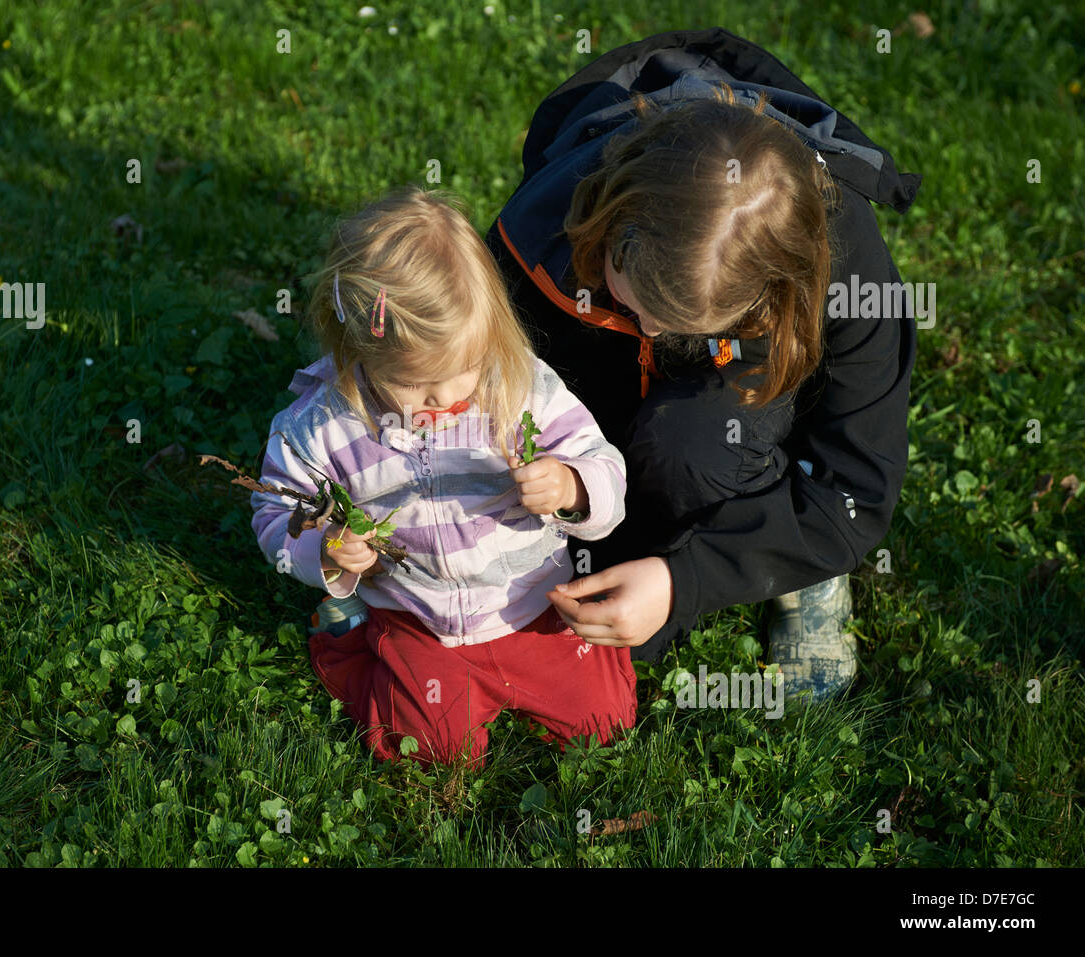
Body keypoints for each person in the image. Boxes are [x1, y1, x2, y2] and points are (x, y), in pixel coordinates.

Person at [484, 28, 922, 701]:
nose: (653, 328)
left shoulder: (850, 271)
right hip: (594, 401)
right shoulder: (537, 232)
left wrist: (680, 581)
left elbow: (853, 489)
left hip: (732, 421)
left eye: (679, 322)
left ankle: (798, 571)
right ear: (609, 221)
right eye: (635, 299)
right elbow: (471, 388)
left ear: (775, 290)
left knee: (692, 446)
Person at [251, 185, 635, 766]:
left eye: (461, 373)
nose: (441, 399)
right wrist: (325, 549)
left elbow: (605, 466)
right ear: (357, 349)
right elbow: (276, 511)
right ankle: (354, 646)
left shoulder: (519, 388)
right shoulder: (324, 425)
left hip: (533, 606)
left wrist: (571, 486)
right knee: (426, 752)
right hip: (417, 616)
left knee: (602, 724)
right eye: (412, 385)